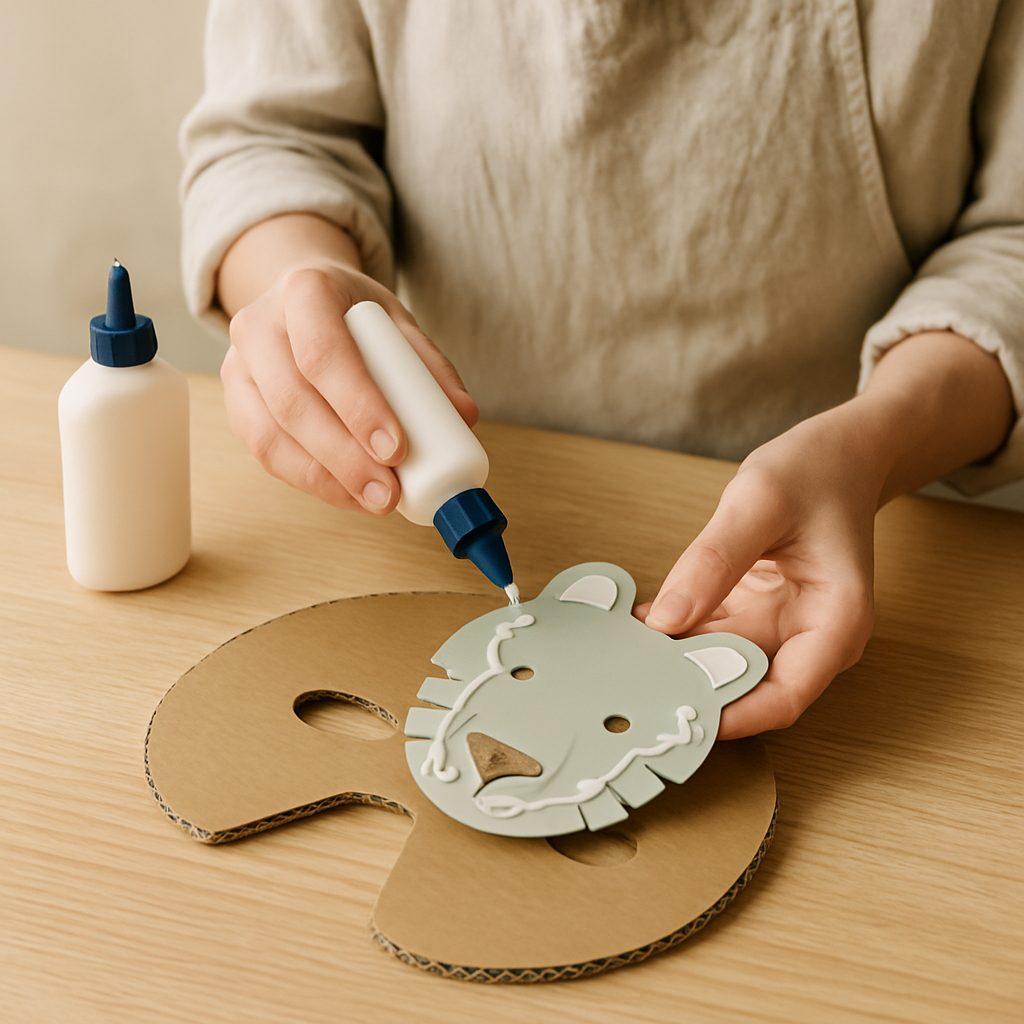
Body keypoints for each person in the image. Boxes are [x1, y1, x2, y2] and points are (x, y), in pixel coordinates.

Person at [180, 1, 1023, 739]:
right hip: (521, 483)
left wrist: (874, 444)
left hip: (871, 527)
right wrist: (298, 291)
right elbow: (274, 140)